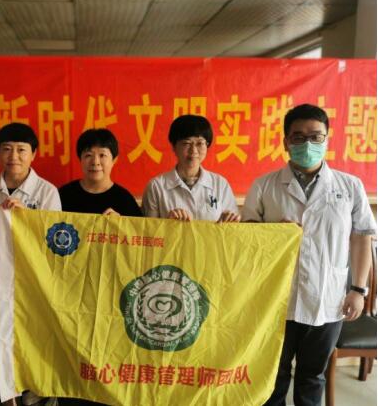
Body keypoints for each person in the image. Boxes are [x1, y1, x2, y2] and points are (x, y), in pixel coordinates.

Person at [242, 104, 376, 406]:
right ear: (286, 141)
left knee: (312, 377)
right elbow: (247, 237)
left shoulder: (349, 186)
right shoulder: (264, 185)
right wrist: (273, 232)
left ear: (327, 139)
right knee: (272, 376)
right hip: (276, 298)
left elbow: (361, 238)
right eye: (298, 137)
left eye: (316, 136)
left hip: (328, 297)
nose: (307, 144)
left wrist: (358, 291)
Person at [0, 122, 61, 406]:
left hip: (32, 284)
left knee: (31, 348)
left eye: (21, 150)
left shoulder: (47, 192)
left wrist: (28, 220)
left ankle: (33, 399)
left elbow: (54, 241)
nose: (14, 156)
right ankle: (6, 400)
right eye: (7, 149)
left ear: (33, 154)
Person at [142, 114, 239, 222]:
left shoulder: (220, 184)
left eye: (200, 143)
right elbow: (149, 230)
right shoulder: (156, 187)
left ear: (207, 145)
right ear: (174, 146)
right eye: (186, 143)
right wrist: (168, 223)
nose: (193, 151)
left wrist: (228, 221)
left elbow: (234, 227)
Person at [59, 128, 142, 217]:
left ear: (114, 160)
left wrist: (120, 222)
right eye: (88, 155)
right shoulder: (64, 195)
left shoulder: (125, 200)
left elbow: (138, 226)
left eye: (102, 155)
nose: (95, 162)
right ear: (80, 159)